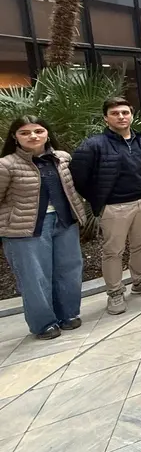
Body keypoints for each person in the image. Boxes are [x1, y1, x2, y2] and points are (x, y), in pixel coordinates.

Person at [71, 97, 141, 315]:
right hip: (114, 207)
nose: (121, 117)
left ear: (131, 115)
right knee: (113, 251)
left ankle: (140, 281)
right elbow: (78, 177)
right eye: (115, 113)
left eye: (125, 112)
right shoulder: (94, 145)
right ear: (106, 118)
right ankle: (114, 292)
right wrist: (99, 199)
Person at [0, 117, 85, 339]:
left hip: (64, 221)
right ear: (15, 137)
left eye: (38, 131)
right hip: (25, 229)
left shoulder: (62, 158)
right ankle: (44, 323)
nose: (33, 136)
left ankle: (68, 314)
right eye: (25, 133)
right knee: (34, 277)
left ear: (47, 133)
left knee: (69, 270)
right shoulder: (6, 164)